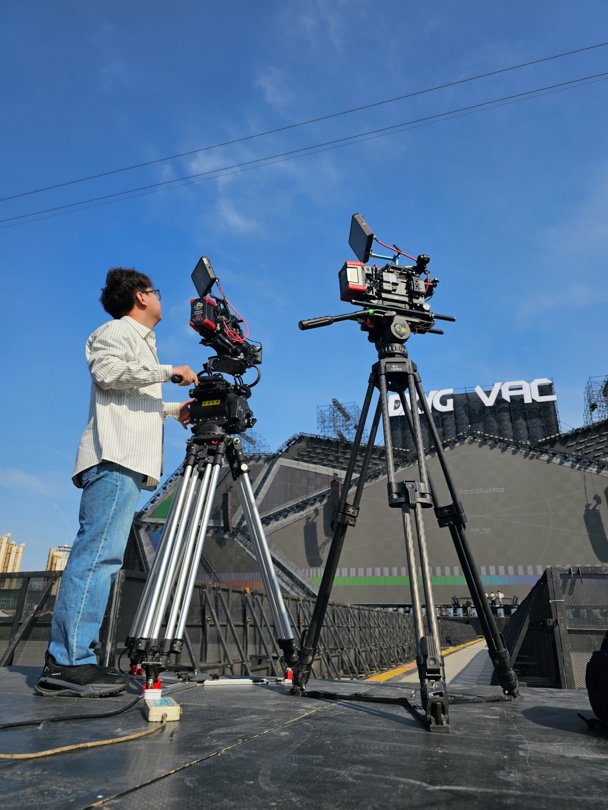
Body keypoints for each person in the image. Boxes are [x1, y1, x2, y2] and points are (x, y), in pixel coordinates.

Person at [35, 268, 199, 697]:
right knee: (97, 559)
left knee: (104, 560)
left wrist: (169, 410)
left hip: (125, 460)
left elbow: (127, 398)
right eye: (156, 292)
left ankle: (76, 658)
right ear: (142, 297)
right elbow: (108, 374)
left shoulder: (140, 342)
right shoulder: (114, 332)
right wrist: (168, 372)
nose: (161, 299)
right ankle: (68, 662)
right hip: (113, 458)